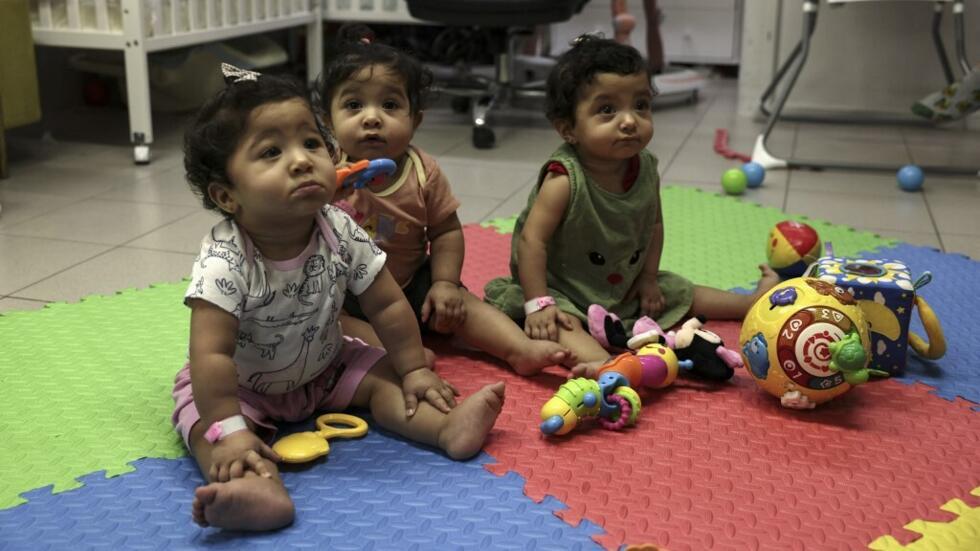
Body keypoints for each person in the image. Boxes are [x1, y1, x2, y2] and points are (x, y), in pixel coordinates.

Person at [174, 63, 505, 531]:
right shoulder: (226, 259)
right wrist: (227, 429)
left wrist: (412, 367)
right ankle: (253, 489)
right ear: (227, 196)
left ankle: (444, 428)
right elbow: (210, 355)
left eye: (311, 142)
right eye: (271, 152)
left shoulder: (340, 227)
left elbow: (387, 303)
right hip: (242, 389)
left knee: (385, 379)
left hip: (326, 367)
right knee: (211, 433)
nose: (302, 160)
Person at [484, 35, 778, 376]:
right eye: (607, 110)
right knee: (564, 324)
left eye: (640, 105)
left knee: (679, 291)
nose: (629, 120)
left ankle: (747, 303)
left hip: (625, 285)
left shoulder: (647, 167)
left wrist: (649, 278)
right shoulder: (564, 180)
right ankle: (605, 366)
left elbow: (653, 225)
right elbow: (531, 242)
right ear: (568, 129)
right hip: (562, 290)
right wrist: (538, 304)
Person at [315, 25, 574, 377]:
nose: (372, 117)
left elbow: (445, 232)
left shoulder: (423, 172)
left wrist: (445, 283)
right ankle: (405, 354)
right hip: (351, 298)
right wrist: (324, 194)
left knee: (464, 305)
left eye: (390, 105)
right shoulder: (325, 172)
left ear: (415, 120)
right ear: (330, 120)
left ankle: (519, 349)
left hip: (411, 286)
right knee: (331, 326)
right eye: (354, 105)